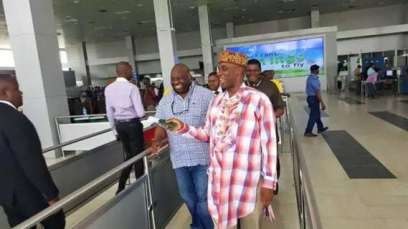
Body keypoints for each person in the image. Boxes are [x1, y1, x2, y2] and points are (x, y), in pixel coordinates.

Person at [164, 51, 278, 229]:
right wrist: (182, 128)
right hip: (220, 182)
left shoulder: (258, 100)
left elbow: (269, 144)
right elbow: (207, 135)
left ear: (239, 71)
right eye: (218, 69)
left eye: (224, 69)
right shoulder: (216, 102)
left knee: (251, 225)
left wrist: (269, 183)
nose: (219, 73)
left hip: (248, 181)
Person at [150, 64, 214, 229]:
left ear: (189, 77)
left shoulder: (206, 96)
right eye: (173, 79)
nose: (176, 82)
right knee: (188, 197)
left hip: (203, 157)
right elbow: (162, 125)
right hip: (179, 158)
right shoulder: (166, 101)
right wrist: (156, 140)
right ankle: (199, 225)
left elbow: (216, 123)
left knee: (203, 199)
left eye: (179, 78)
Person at [0, 76, 65, 228]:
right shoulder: (16, 119)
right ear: (5, 92)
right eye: (16, 89)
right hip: (29, 192)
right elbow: (31, 161)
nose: (21, 93)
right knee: (56, 223)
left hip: (7, 195)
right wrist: (51, 195)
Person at [105, 62, 145, 194]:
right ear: (126, 71)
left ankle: (121, 187)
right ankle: (141, 187)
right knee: (138, 156)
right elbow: (140, 113)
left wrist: (114, 130)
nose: (132, 72)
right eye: (131, 70)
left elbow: (109, 112)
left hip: (119, 126)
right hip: (133, 124)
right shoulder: (132, 88)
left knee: (129, 155)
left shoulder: (108, 88)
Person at [304, 64, 328, 137]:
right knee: (313, 115)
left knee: (316, 114)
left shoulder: (310, 78)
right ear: (314, 70)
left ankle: (320, 128)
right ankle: (308, 131)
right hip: (313, 98)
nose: (319, 70)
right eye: (318, 69)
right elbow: (317, 92)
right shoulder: (313, 79)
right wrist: (322, 103)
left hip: (311, 98)